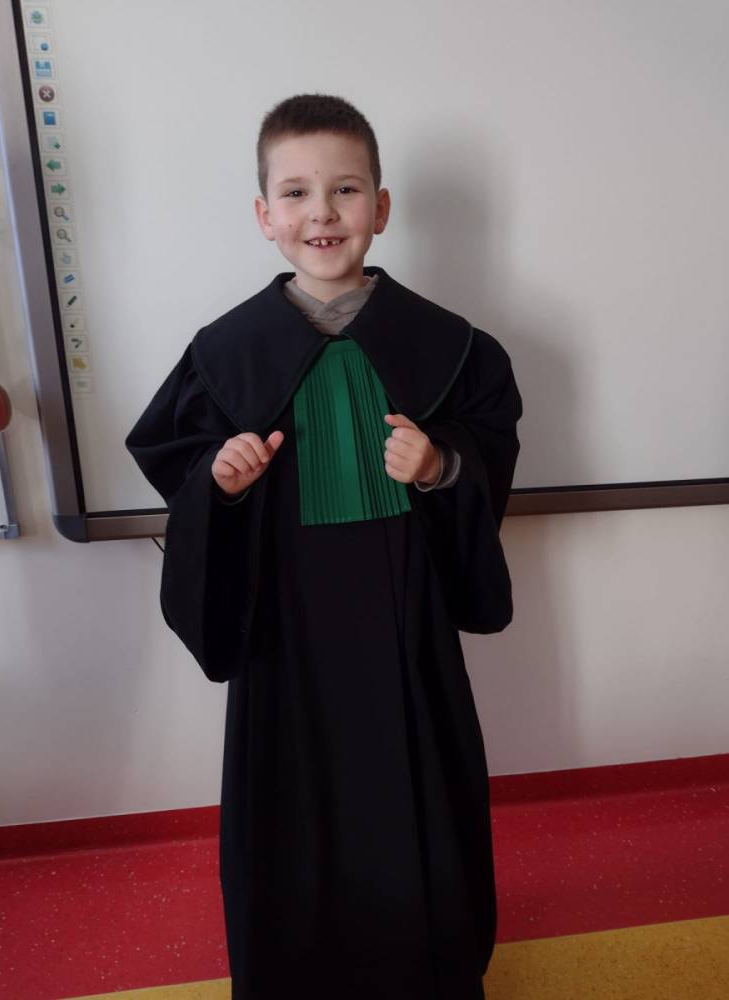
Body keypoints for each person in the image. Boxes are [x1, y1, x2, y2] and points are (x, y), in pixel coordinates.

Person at [126, 93, 523, 1000]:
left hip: (405, 624)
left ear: (380, 207)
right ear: (264, 215)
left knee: (419, 795)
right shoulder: (223, 354)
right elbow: (179, 461)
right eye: (296, 193)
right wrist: (220, 484)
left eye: (345, 190)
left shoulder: (451, 346)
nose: (323, 213)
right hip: (285, 631)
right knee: (291, 807)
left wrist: (441, 465)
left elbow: (486, 448)